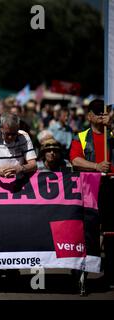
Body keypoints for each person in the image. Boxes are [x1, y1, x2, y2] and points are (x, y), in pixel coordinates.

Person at [69, 99, 114, 288]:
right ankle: (82, 273)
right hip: (89, 190)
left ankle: (110, 274)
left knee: (110, 233)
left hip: (110, 188)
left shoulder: (111, 135)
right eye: (98, 113)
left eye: (105, 113)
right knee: (88, 232)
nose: (102, 116)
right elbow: (75, 160)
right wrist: (96, 166)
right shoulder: (81, 136)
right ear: (89, 116)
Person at [0, 112, 37, 178]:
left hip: (19, 180)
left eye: (14, 134)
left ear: (18, 128)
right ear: (1, 128)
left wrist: (21, 168)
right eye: (7, 134)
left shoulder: (24, 136)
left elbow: (33, 164)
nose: (10, 137)